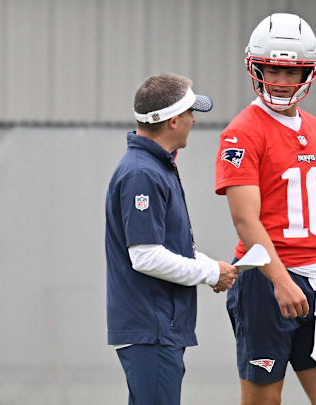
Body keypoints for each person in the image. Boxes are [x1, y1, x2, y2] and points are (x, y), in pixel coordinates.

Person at [214, 13, 316, 405]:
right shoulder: (243, 131)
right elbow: (245, 218)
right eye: (272, 69)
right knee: (263, 400)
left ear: (309, 73)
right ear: (255, 68)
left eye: (292, 72)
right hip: (266, 280)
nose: (281, 81)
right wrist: (279, 280)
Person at [106, 72, 239, 405]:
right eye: (190, 113)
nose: (194, 120)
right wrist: (211, 273)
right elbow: (146, 255)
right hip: (151, 329)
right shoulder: (142, 172)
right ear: (173, 121)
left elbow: (170, 245)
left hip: (158, 328)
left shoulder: (154, 167)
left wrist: (215, 268)